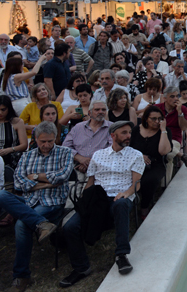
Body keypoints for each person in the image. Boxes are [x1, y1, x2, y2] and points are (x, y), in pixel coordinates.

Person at [60, 121, 145, 286]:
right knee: (69, 227)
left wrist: (126, 194)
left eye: (129, 132)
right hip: (98, 198)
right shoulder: (98, 155)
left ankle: (121, 255)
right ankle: (81, 267)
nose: (128, 136)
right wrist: (84, 201)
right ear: (113, 136)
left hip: (121, 196)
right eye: (124, 133)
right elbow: (90, 182)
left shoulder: (136, 155)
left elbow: (137, 183)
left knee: (121, 205)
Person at [0, 121, 73, 291]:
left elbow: (62, 176)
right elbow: (18, 182)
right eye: (42, 141)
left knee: (22, 224)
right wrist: (47, 182)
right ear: (36, 138)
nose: (46, 145)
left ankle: (21, 276)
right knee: (0, 194)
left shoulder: (65, 153)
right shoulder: (27, 155)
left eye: (50, 141)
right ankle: (41, 224)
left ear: (56, 139)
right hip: (30, 200)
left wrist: (36, 178)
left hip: (52, 201)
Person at [130, 105, 172, 219]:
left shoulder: (165, 131)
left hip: (155, 164)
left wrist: (163, 130)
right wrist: (139, 156)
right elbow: (128, 148)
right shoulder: (135, 130)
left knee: (150, 180)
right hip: (135, 163)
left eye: (159, 118)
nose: (157, 121)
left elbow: (163, 151)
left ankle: (144, 206)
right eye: (153, 119)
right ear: (146, 119)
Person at [155, 86, 187, 170]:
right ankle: (181, 155)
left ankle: (165, 182)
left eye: (177, 96)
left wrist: (179, 112)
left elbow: (184, 128)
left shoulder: (183, 109)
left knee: (168, 155)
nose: (176, 99)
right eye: (172, 97)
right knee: (166, 156)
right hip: (157, 136)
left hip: (174, 138)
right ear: (165, 98)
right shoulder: (157, 108)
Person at [0, 96, 28, 169]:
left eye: (3, 110)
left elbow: (24, 145)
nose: (0, 113)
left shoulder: (17, 122)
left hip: (12, 154)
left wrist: (9, 149)